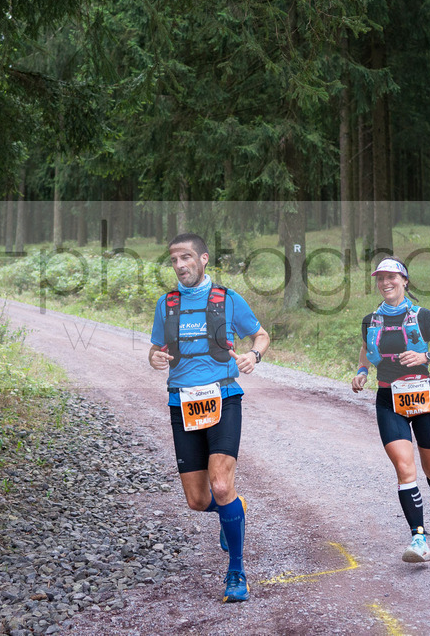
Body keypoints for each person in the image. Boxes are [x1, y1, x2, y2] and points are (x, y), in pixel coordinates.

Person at [148, 233, 270, 602]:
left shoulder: (228, 299)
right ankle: (233, 506)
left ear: (202, 259)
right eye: (174, 260)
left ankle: (236, 572)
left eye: (186, 257)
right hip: (181, 403)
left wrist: (254, 356)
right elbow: (157, 349)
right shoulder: (166, 304)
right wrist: (153, 357)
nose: (180, 265)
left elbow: (261, 335)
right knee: (199, 501)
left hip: (224, 398)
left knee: (220, 483)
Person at [351, 257, 430, 563]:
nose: (385, 283)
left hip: (423, 397)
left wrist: (426, 356)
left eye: (391, 277)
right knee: (404, 468)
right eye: (380, 278)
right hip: (388, 400)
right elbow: (366, 349)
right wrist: (362, 372)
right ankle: (418, 538)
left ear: (405, 280)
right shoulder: (371, 320)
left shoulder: (424, 316)